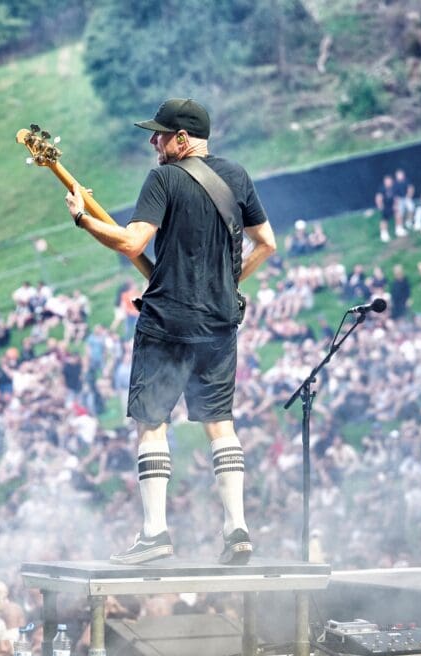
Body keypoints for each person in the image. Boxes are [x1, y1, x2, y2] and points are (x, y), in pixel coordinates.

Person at [64, 98, 276, 565]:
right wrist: (226, 284)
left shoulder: (163, 178)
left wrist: (83, 218)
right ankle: (237, 528)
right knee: (220, 422)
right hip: (220, 321)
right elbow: (267, 243)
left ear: (183, 139)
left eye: (160, 134)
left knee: (152, 422)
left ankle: (156, 535)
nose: (152, 141)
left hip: (169, 322)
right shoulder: (236, 176)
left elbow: (132, 242)